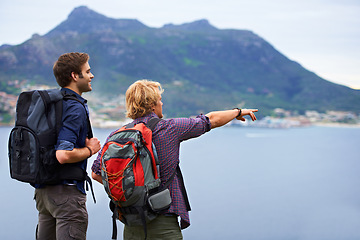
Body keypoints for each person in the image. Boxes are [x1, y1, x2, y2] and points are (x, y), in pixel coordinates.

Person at [91, 79, 258, 239]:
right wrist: (237, 111)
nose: (162, 103)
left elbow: (96, 173)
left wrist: (133, 192)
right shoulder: (169, 128)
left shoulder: (117, 136)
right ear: (152, 104)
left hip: (131, 224)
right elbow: (210, 120)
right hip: (162, 221)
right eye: (160, 100)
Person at [34, 52, 101, 240]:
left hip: (44, 193)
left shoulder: (54, 103)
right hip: (66, 194)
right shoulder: (75, 107)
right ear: (74, 76)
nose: (91, 75)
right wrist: (90, 150)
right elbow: (63, 154)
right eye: (87, 71)